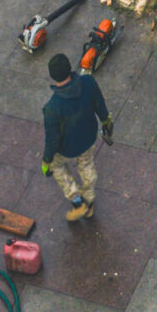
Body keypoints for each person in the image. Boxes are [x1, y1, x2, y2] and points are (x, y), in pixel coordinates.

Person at [41, 53, 113, 223]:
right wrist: (106, 122)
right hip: (88, 138)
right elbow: (100, 105)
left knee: (57, 167)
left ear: (52, 76)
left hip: (66, 148)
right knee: (87, 166)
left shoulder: (52, 108)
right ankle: (89, 200)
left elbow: (52, 140)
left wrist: (46, 161)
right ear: (69, 68)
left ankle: (77, 201)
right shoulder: (88, 82)